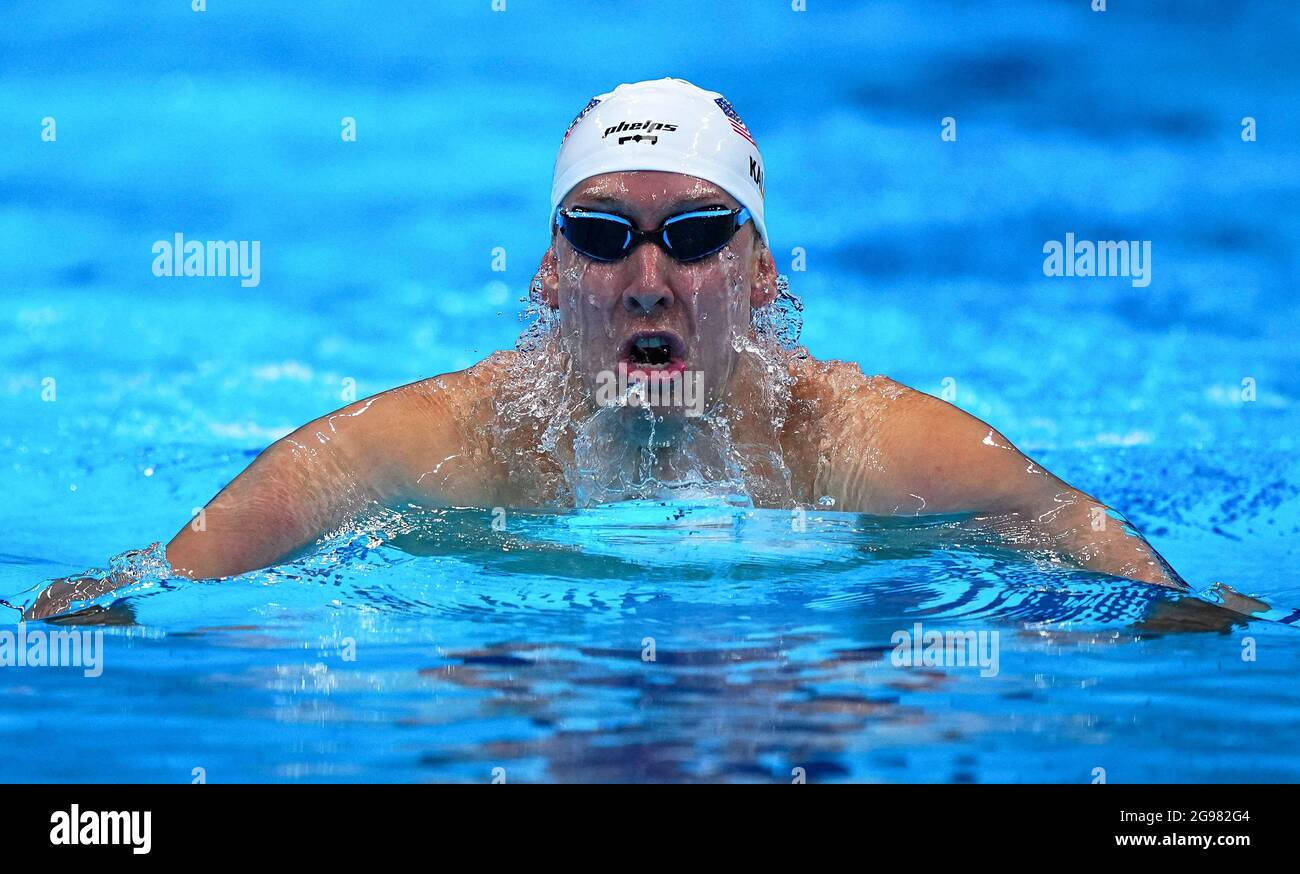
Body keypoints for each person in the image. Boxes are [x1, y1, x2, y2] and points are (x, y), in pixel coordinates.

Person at [25, 78, 1183, 620]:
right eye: (598, 236)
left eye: (693, 237)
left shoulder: (857, 443)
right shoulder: (442, 444)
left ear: (761, 274)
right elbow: (159, 581)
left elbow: (1121, 570)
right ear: (547, 277)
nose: (645, 280)